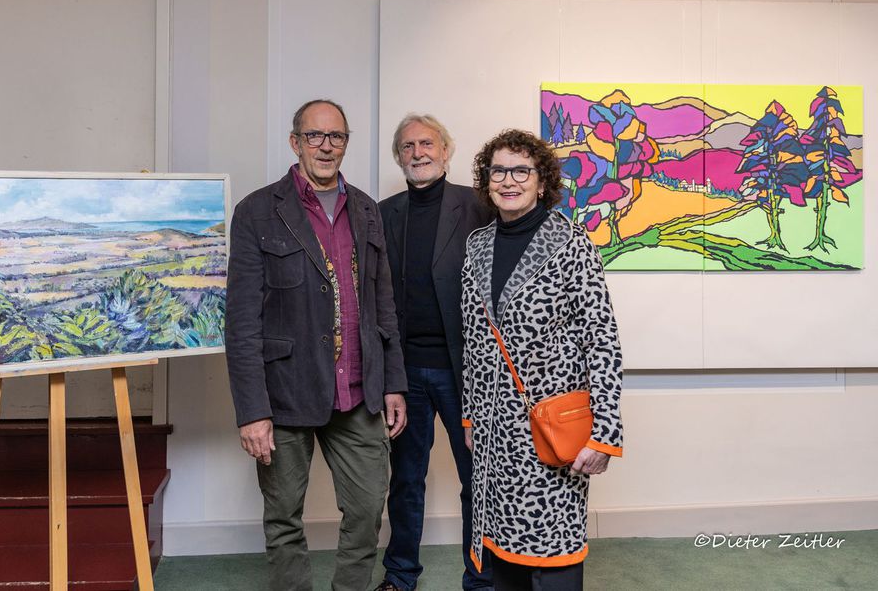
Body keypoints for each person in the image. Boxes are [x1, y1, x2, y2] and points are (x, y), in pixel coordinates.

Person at [225, 99, 408, 591]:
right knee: (284, 517)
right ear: (295, 142)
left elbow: (383, 305)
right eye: (314, 136)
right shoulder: (257, 211)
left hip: (359, 392)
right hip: (285, 393)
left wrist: (393, 382)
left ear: (346, 143)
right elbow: (241, 323)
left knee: (367, 509)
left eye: (336, 137)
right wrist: (252, 411)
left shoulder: (366, 209)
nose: (326, 147)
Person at [460, 129, 623, 591]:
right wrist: (471, 418)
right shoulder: (476, 246)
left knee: (554, 555)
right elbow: (474, 340)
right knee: (504, 555)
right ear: (487, 180)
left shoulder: (572, 243)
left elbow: (602, 339)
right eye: (498, 171)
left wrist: (605, 434)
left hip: (550, 425)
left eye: (521, 171)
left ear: (541, 180)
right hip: (494, 433)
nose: (508, 181)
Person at [375, 114, 493, 591]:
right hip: (406, 374)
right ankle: (400, 575)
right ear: (398, 157)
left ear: (446, 151)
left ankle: (482, 580)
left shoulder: (480, 205)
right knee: (405, 482)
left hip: (466, 372)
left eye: (427, 143)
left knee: (479, 480)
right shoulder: (383, 213)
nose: (418, 152)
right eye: (407, 146)